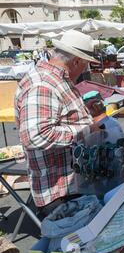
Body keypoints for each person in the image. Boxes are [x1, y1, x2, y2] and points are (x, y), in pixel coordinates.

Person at [15, 30, 101, 216]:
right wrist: (86, 129)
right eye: (86, 65)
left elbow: (57, 113)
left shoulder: (55, 78)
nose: (85, 70)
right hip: (59, 192)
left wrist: (83, 110)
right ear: (76, 61)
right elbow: (36, 135)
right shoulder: (43, 84)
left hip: (69, 184)